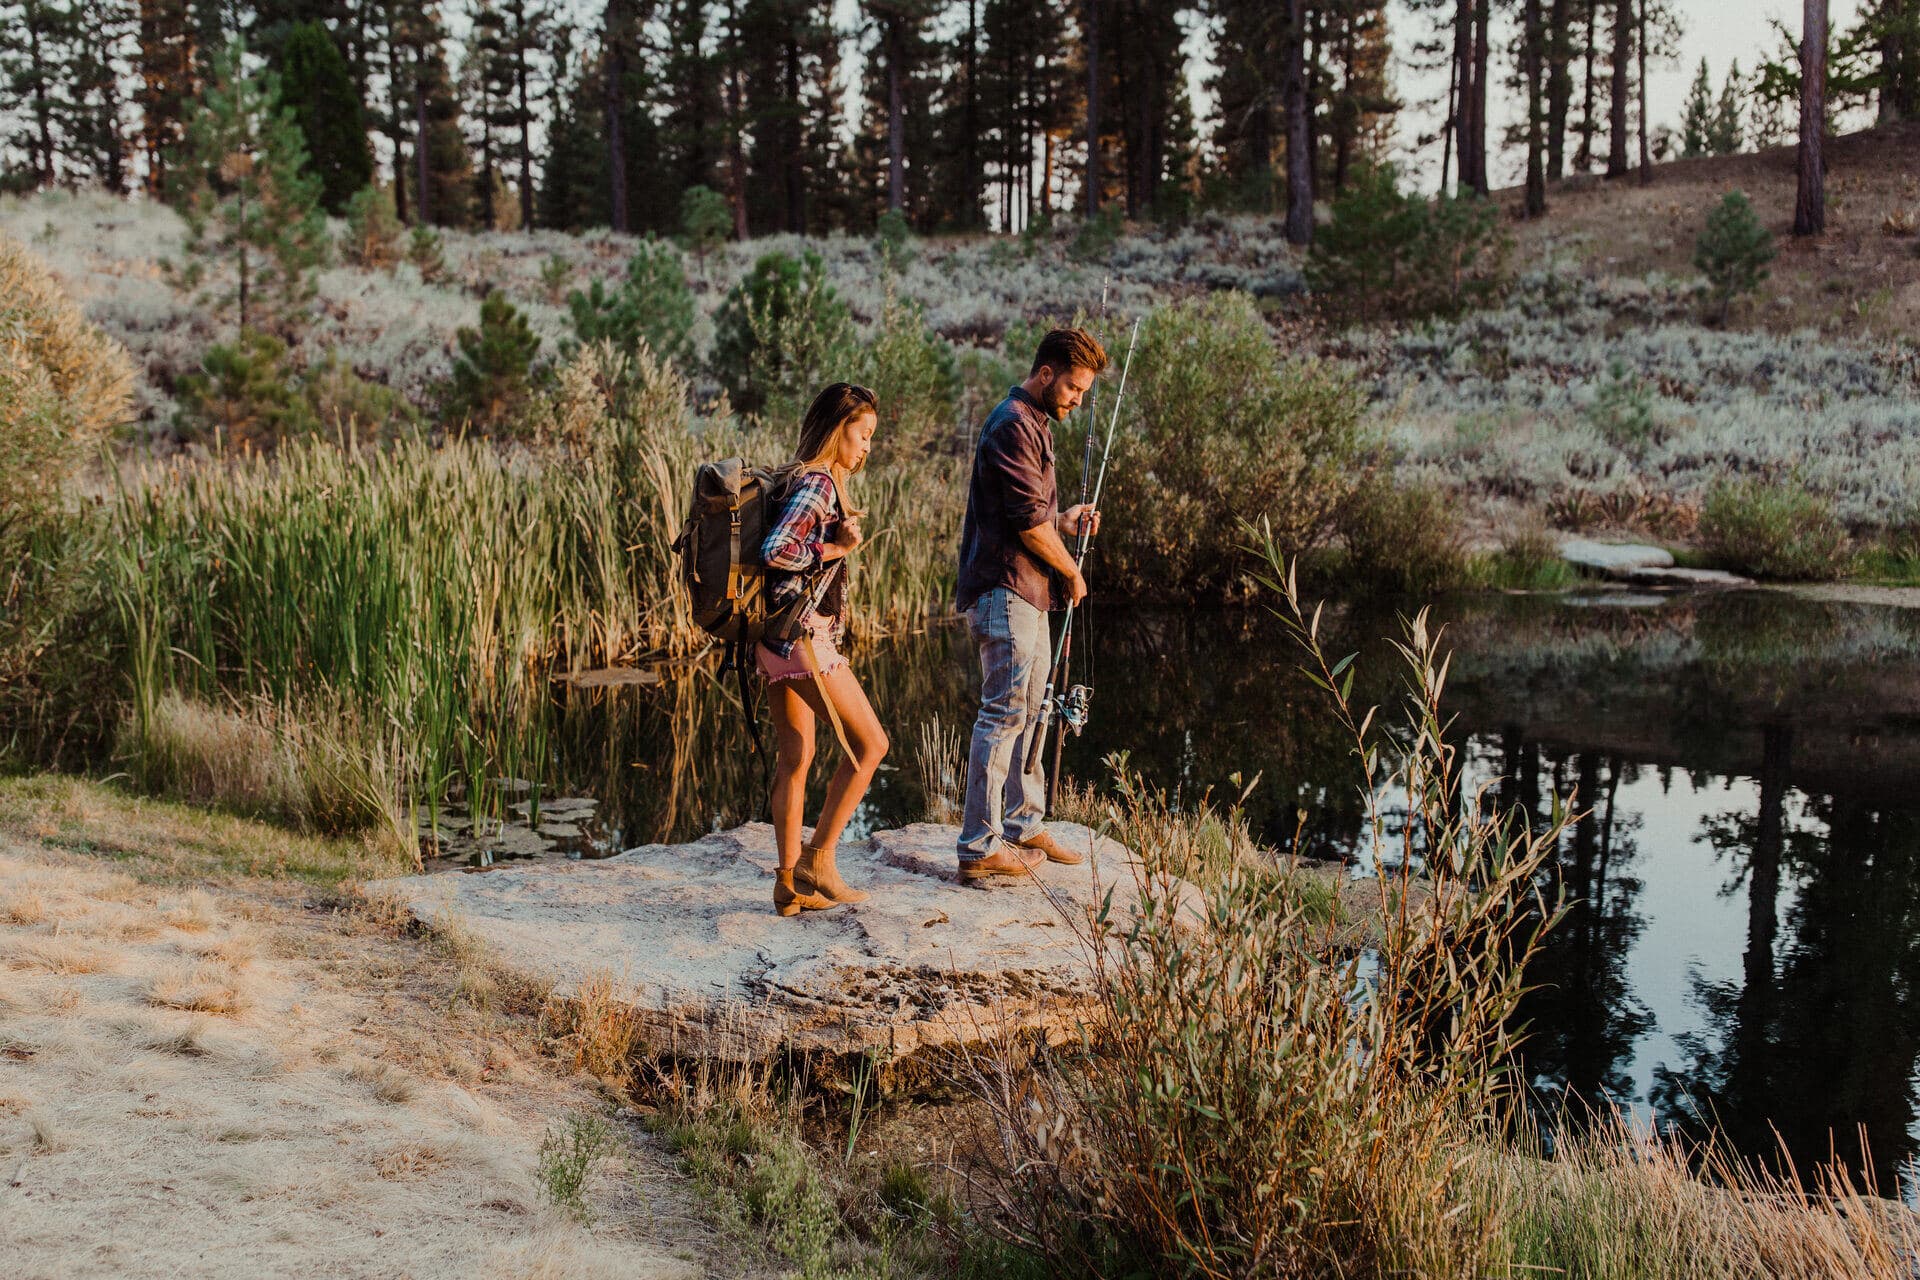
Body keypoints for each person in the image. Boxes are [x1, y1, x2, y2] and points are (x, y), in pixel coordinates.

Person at [953, 328, 1107, 880]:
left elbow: (1033, 518)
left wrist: (1062, 522)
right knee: (1002, 713)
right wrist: (1072, 569)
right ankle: (979, 846)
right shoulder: (1013, 424)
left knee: (1034, 709)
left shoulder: (1034, 423)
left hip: (1028, 591)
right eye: (1072, 387)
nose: (1078, 400)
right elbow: (1025, 525)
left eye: (1083, 391)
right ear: (1045, 374)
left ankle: (1022, 824)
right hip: (1005, 591)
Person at [758, 383, 892, 916]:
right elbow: (776, 550)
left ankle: (788, 885)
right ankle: (820, 859)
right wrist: (835, 547)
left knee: (797, 757)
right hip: (801, 639)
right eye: (862, 435)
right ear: (838, 432)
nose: (867, 448)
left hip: (773, 640)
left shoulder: (800, 479)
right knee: (871, 745)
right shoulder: (817, 483)